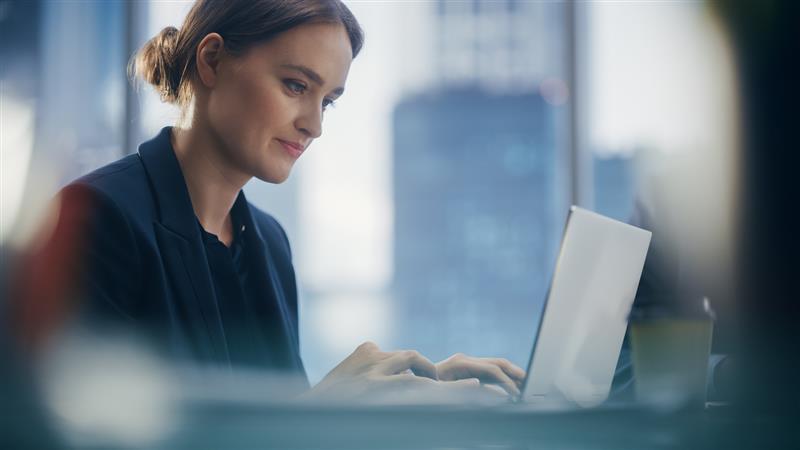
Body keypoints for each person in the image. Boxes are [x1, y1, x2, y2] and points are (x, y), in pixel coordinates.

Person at [53, 0, 525, 401]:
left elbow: (272, 426)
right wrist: (323, 410)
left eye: (328, 101)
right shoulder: (95, 219)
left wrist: (410, 390)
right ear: (212, 60)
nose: (314, 126)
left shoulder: (269, 244)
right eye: (297, 86)